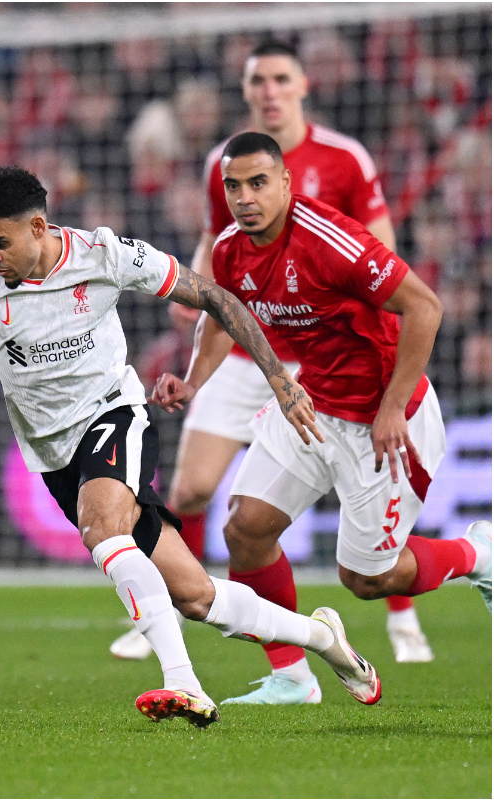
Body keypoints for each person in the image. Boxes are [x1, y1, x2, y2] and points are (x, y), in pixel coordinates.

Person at [0, 165, 383, 727]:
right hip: (51, 451)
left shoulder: (105, 255)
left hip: (114, 414)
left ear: (38, 226)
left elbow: (216, 298)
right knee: (197, 596)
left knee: (102, 525)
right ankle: (322, 636)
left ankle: (183, 684)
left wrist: (279, 378)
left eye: (0, 243)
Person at [113, 39, 431, 669]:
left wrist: (377, 366)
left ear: (302, 85)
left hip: (343, 369)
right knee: (212, 500)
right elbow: (218, 266)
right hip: (263, 357)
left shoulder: (342, 167)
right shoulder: (226, 191)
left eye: (280, 78)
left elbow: (402, 281)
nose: (269, 90)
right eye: (257, 80)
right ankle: (206, 616)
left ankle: (422, 598)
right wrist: (194, 328)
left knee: (367, 564)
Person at [150, 132, 492, 703]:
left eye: (258, 182)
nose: (244, 197)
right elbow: (221, 315)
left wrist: (389, 409)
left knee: (366, 581)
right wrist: (193, 381)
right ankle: (293, 676)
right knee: (245, 529)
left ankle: (477, 554)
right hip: (312, 406)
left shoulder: (329, 240)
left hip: (386, 419)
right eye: (233, 185)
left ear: (285, 183)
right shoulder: (232, 248)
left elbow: (424, 307)